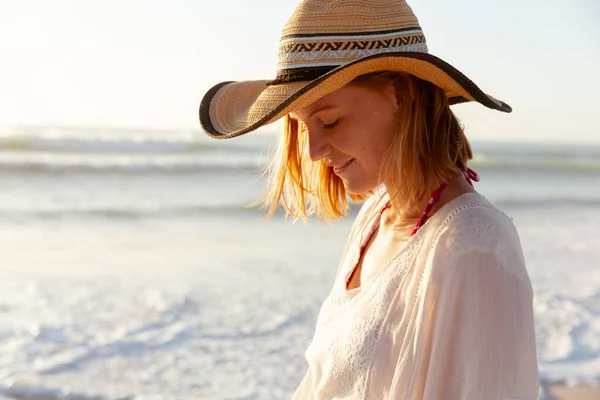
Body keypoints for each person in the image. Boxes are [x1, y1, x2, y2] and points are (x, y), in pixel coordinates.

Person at [199, 0, 540, 399]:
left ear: (403, 94)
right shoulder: (377, 215)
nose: (312, 151)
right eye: (302, 125)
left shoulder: (474, 241)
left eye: (329, 121)